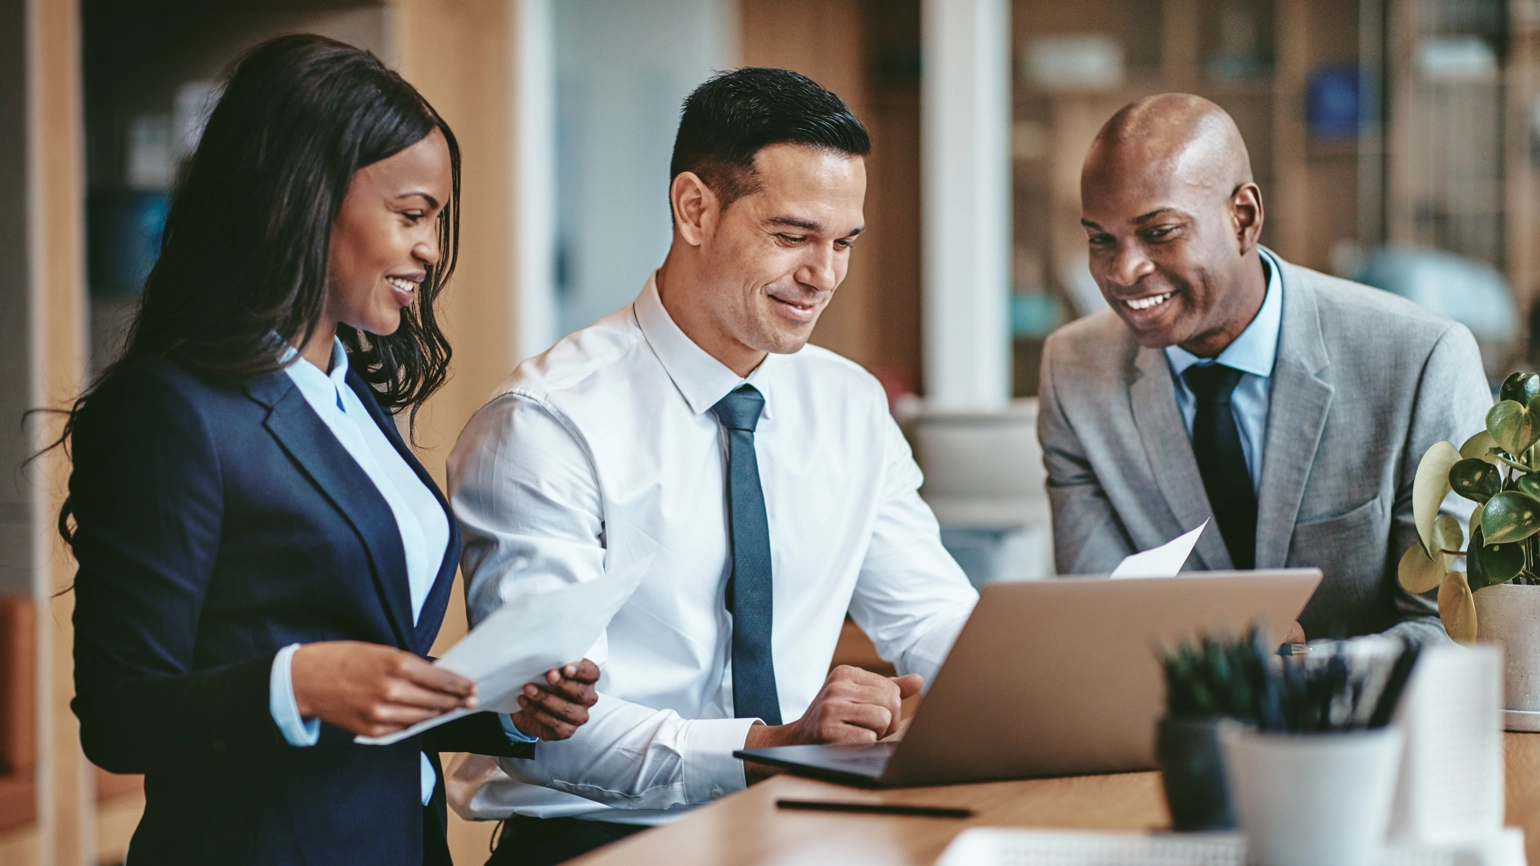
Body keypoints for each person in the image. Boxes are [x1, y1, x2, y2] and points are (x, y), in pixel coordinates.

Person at [63, 35, 599, 866]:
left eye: (437, 221)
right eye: (411, 214)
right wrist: (300, 681)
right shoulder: (173, 412)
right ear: (308, 198)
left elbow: (366, 680)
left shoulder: (350, 398)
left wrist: (499, 707)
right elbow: (120, 712)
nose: (429, 248)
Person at [448, 67, 979, 865]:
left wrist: (1028, 692)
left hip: (801, 832)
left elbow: (929, 616)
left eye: (843, 243)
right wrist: (773, 743)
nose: (824, 276)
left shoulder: (850, 404)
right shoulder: (547, 423)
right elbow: (552, 732)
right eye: (793, 236)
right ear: (695, 208)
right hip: (595, 844)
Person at [1038, 93, 1491, 643]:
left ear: (1243, 218)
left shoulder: (1421, 360)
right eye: (1100, 240)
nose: (1123, 270)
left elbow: (1450, 629)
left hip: (1367, 723)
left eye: (1159, 232)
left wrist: (1302, 673)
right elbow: (1100, 618)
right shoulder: (1074, 372)